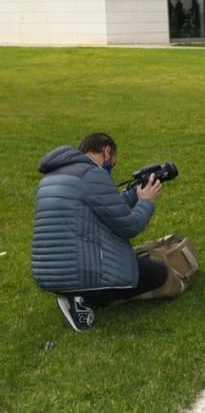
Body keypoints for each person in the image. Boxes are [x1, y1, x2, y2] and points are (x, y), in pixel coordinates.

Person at [32, 134, 166, 332]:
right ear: (106, 151)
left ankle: (78, 296)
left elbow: (101, 205)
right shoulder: (92, 174)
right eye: (113, 159)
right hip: (77, 271)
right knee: (157, 273)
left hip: (48, 273)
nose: (113, 164)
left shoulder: (52, 177)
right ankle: (84, 301)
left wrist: (133, 196)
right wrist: (146, 201)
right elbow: (130, 226)